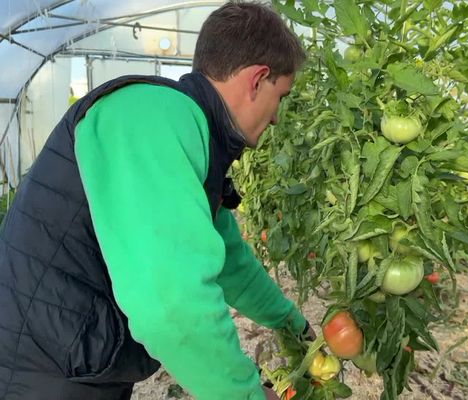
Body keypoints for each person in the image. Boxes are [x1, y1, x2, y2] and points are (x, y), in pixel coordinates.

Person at [0, 2, 313, 399]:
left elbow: (230, 261)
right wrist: (246, 394)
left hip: (78, 358)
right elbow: (172, 308)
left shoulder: (191, 134)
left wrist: (290, 323)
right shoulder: (150, 119)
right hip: (41, 370)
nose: (276, 118)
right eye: (281, 96)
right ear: (257, 80)